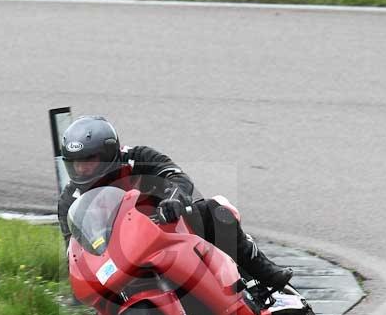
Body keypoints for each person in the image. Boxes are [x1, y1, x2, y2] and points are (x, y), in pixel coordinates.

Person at [57, 115, 293, 291]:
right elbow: (73, 250)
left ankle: (263, 270)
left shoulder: (138, 158)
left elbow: (177, 176)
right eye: (75, 163)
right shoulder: (70, 200)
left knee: (213, 211)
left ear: (109, 152)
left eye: (89, 160)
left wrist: (173, 199)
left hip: (168, 227)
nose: (82, 169)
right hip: (121, 258)